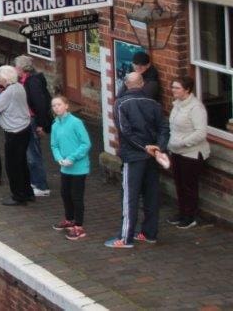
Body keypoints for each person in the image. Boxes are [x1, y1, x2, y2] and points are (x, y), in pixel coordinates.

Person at [105, 71, 169, 249]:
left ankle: (125, 238)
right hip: (152, 157)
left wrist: (144, 147)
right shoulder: (154, 104)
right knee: (151, 195)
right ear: (142, 84)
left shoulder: (120, 104)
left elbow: (126, 132)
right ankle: (149, 234)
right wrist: (158, 147)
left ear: (125, 85)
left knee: (129, 197)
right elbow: (164, 128)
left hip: (133, 157)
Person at [166, 77, 209, 229]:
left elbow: (201, 133)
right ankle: (182, 213)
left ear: (187, 90)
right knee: (179, 184)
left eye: (177, 88)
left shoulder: (196, 108)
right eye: (173, 87)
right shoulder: (177, 105)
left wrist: (181, 143)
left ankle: (190, 216)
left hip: (191, 153)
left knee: (189, 186)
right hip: (176, 151)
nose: (173, 90)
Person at [0, 65, 35, 206]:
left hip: (14, 132)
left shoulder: (8, 92)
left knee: (12, 165)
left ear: (3, 78)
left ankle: (18, 196)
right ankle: (27, 192)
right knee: (22, 163)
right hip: (25, 128)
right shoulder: (19, 87)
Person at [50, 95, 91, 240]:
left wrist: (72, 158)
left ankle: (79, 226)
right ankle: (69, 219)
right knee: (65, 193)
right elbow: (54, 145)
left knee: (77, 196)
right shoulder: (55, 125)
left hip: (78, 167)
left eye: (59, 104)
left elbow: (86, 144)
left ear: (66, 106)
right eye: (54, 106)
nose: (56, 108)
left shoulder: (76, 123)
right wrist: (59, 158)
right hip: (65, 167)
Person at [16, 55, 52, 198]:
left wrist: (42, 125)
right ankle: (35, 181)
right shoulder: (26, 80)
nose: (15, 69)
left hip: (33, 121)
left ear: (22, 68)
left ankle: (41, 185)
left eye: (17, 66)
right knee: (30, 152)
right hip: (28, 119)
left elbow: (41, 105)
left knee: (33, 154)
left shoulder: (33, 82)